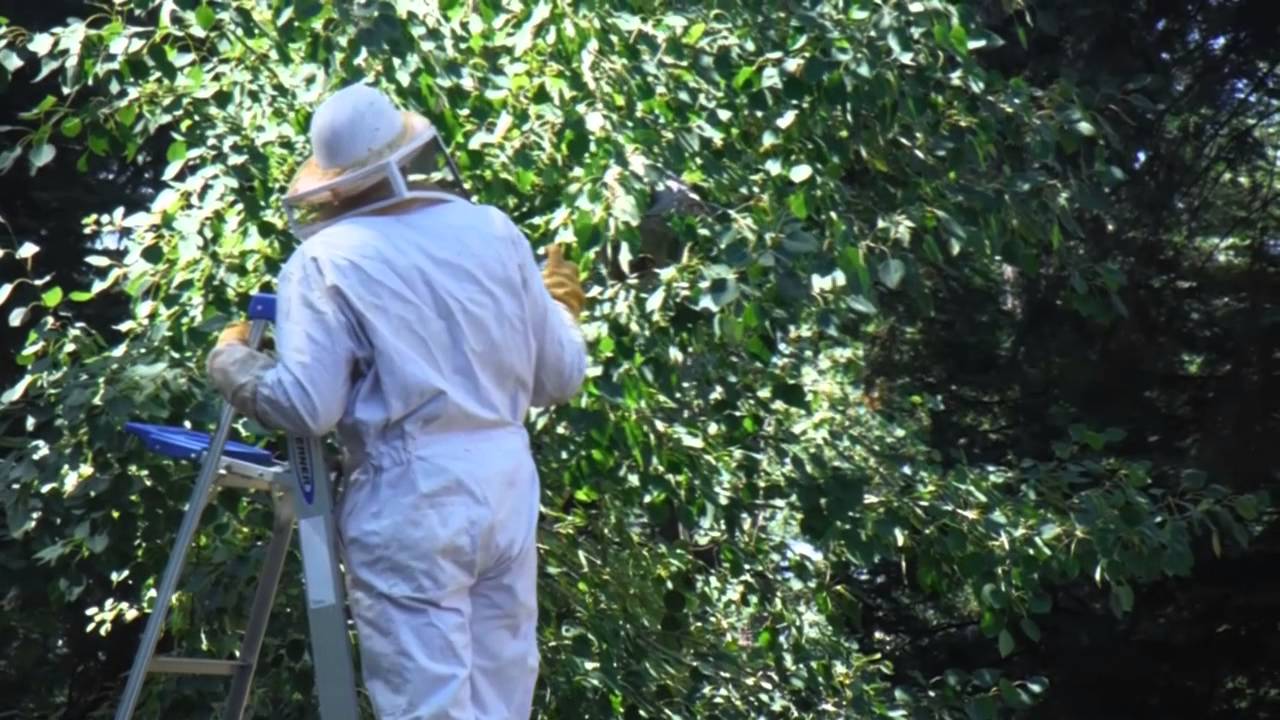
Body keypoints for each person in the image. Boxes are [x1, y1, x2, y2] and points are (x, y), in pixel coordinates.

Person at [204, 83, 588, 720]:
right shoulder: (493, 231)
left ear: (334, 185)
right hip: (506, 485)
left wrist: (235, 364)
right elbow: (559, 377)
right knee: (501, 699)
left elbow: (307, 407)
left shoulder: (325, 258)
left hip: (413, 496)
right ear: (410, 155)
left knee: (428, 707)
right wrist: (560, 312)